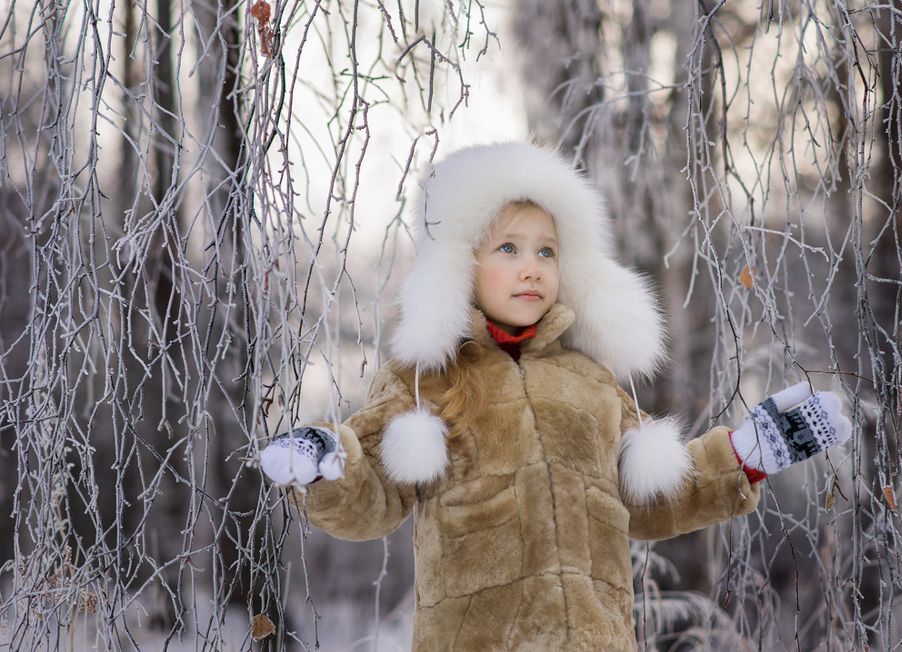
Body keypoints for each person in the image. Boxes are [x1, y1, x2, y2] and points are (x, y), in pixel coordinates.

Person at [259, 142, 852, 651]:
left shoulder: (590, 382)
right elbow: (374, 499)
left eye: (547, 251)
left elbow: (646, 498)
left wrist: (744, 455)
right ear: (461, 263)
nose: (532, 268)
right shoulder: (426, 381)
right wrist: (327, 464)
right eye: (508, 249)